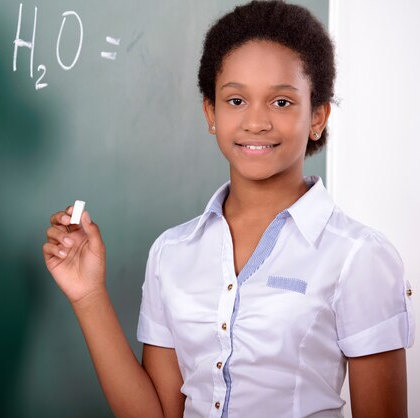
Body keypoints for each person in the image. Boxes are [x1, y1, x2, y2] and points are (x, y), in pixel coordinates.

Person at [42, 1, 414, 417]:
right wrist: (89, 295)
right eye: (236, 101)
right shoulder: (172, 252)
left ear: (318, 117)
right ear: (211, 113)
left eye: (282, 102)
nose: (256, 122)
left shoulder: (359, 257)